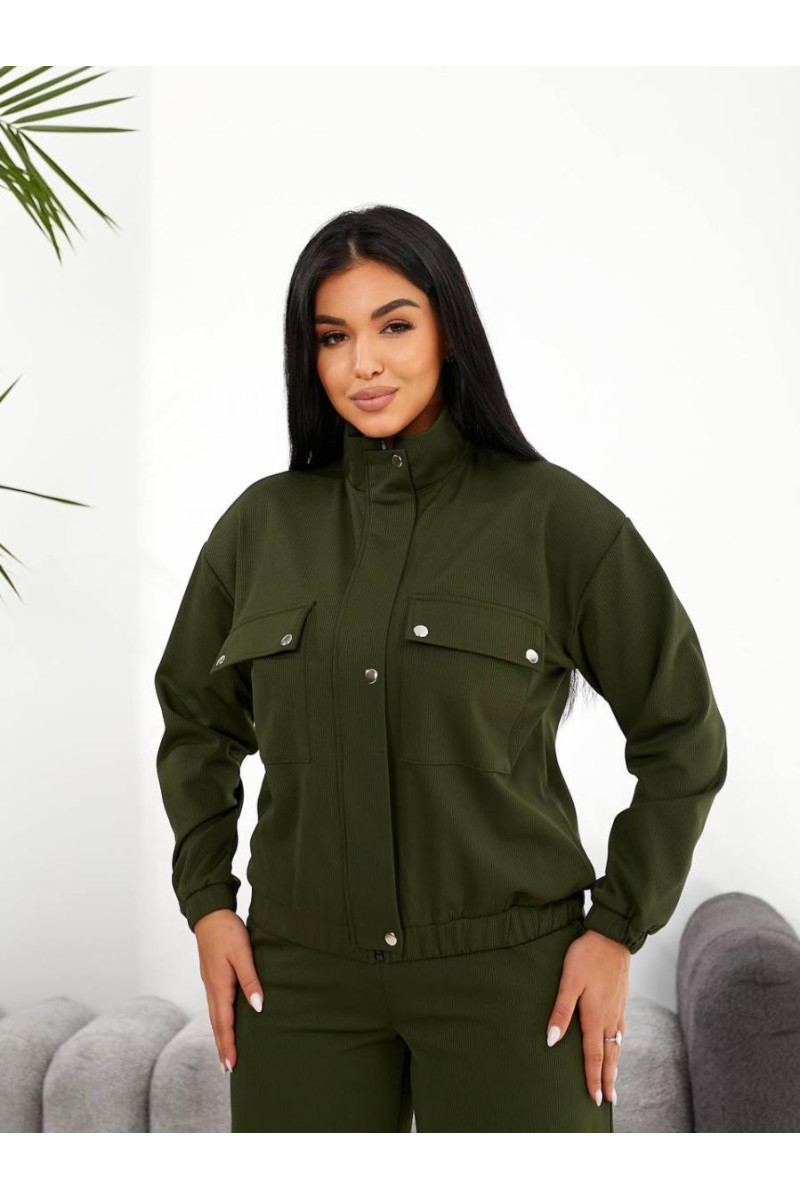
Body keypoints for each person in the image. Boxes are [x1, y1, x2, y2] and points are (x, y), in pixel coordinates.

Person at [154, 204, 728, 1133]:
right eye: (333, 337)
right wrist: (209, 905)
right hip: (301, 983)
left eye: (394, 326)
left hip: (515, 984)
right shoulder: (261, 528)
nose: (363, 364)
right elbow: (195, 722)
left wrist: (616, 928)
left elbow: (683, 735)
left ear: (448, 332)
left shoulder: (556, 522)